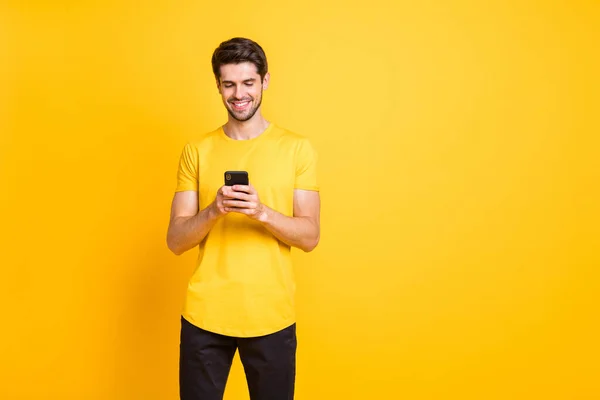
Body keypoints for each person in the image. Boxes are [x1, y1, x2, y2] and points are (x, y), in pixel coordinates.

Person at [166, 37, 321, 400]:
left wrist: (262, 212)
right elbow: (175, 241)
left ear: (265, 81)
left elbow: (310, 236)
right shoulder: (197, 150)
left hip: (271, 315)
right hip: (204, 317)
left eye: (248, 83)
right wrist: (214, 209)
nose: (239, 94)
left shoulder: (297, 148)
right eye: (229, 84)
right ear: (218, 86)